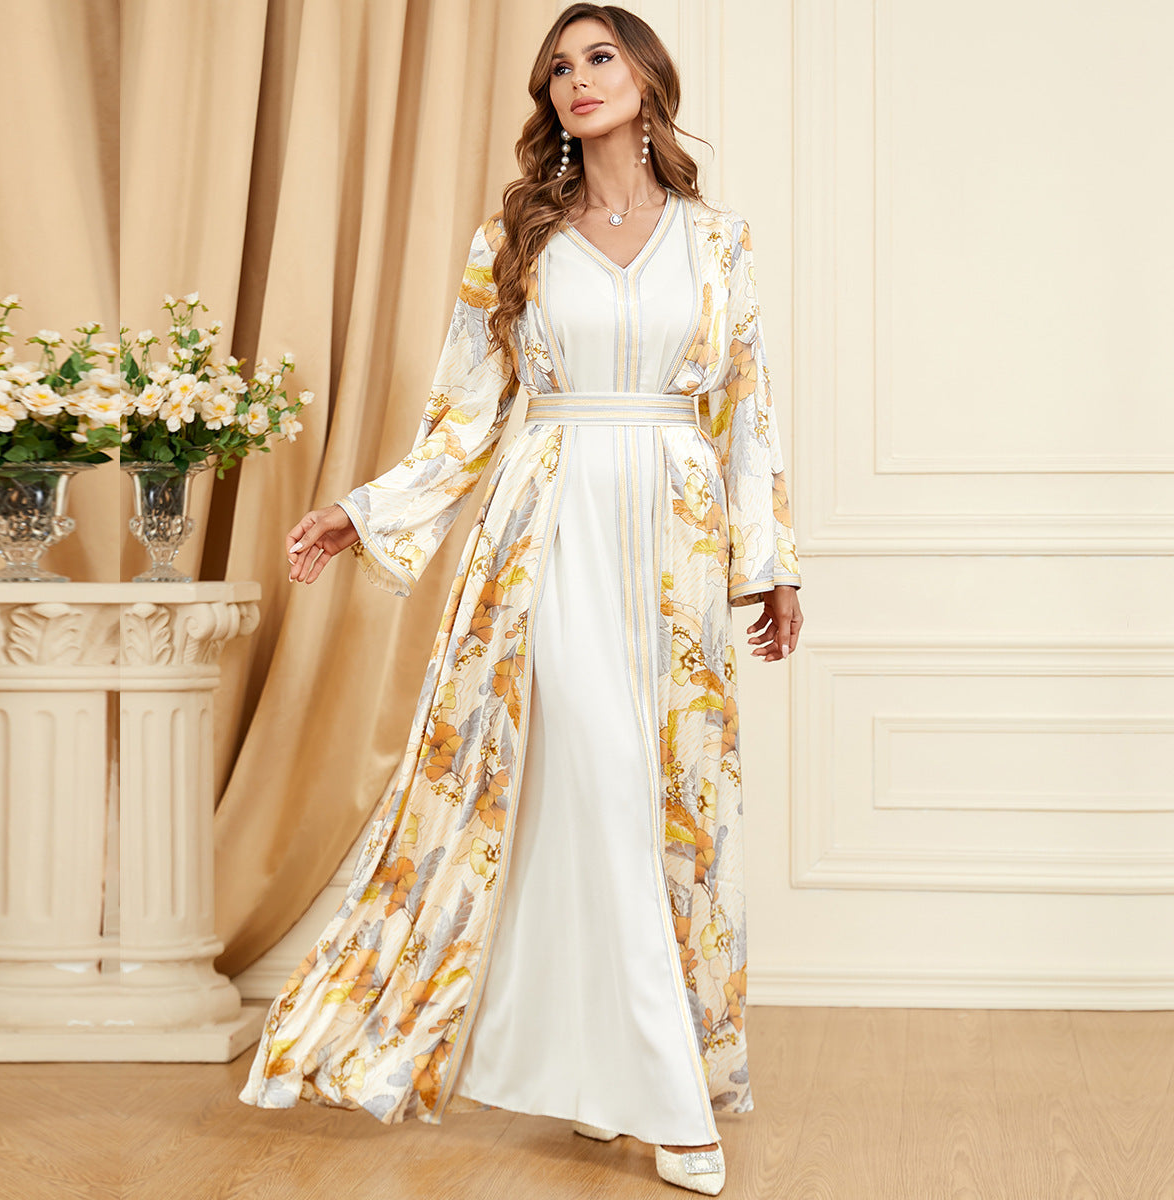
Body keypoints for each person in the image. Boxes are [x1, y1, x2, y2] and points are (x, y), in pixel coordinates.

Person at [238, 4, 804, 1194]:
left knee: (660, 805)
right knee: (601, 782)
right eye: (557, 69)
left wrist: (772, 562)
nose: (575, 80)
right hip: (546, 531)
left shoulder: (720, 242)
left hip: (678, 545)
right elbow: (464, 413)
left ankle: (607, 1072)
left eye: (599, 58)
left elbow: (745, 413)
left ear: (648, 78)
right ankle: (670, 1107)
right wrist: (365, 510)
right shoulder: (515, 241)